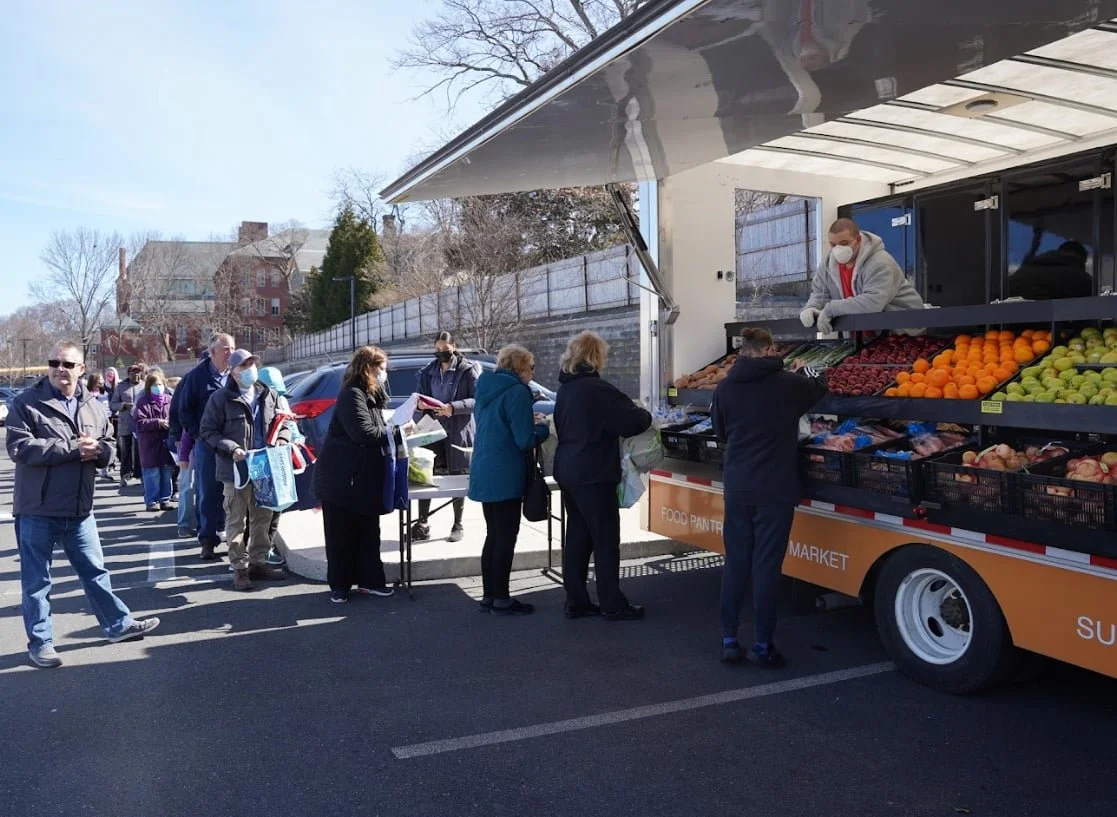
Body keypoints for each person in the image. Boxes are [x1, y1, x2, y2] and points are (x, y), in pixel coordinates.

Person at [6, 341, 160, 668]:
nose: (60, 369)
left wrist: (100, 452)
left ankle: (117, 625)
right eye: (54, 363)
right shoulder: (27, 403)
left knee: (95, 572)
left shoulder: (93, 404)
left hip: (80, 510)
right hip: (38, 509)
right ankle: (41, 643)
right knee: (37, 582)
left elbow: (108, 447)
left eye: (67, 364)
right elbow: (20, 448)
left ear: (81, 370)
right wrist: (73, 448)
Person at [711, 327, 829, 667]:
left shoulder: (725, 387)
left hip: (738, 486)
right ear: (770, 349)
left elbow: (720, 432)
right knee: (766, 566)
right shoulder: (788, 384)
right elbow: (820, 385)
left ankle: (729, 639)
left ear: (743, 350)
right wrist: (805, 370)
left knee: (736, 562)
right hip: (775, 488)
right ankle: (763, 645)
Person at [553, 331, 652, 621]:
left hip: (568, 469)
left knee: (578, 537)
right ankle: (612, 603)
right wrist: (645, 414)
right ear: (596, 357)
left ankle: (576, 600)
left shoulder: (566, 389)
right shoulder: (598, 390)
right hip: (594, 471)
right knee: (605, 539)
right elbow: (633, 420)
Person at [468, 344, 550, 615]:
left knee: (493, 535)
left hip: (484, 469)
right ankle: (502, 599)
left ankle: (490, 596)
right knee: (506, 536)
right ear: (520, 368)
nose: (532, 372)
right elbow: (524, 439)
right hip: (506, 473)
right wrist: (542, 428)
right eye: (531, 368)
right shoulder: (516, 392)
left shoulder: (486, 388)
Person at [311, 346, 396, 604]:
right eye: (381, 369)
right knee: (340, 535)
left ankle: (370, 581)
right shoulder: (352, 395)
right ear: (368, 368)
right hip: (341, 479)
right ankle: (340, 586)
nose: (384, 374)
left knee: (368, 532)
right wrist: (397, 432)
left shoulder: (371, 395)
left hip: (360, 479)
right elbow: (363, 433)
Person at [200, 348, 289, 591]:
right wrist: (232, 448)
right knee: (236, 520)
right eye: (244, 366)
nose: (250, 369)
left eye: (252, 363)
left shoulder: (267, 393)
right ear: (233, 372)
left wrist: (281, 439)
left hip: (264, 466)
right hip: (235, 469)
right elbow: (208, 432)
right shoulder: (220, 399)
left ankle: (258, 562)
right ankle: (239, 567)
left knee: (263, 517)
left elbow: (282, 423)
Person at [410, 331, 479, 544]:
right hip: (432, 428)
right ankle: (422, 522)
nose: (440, 353)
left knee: (456, 475)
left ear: (454, 346)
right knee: (426, 473)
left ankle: (458, 524)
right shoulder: (428, 372)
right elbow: (420, 396)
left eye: (444, 349)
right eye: (437, 349)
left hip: (458, 429)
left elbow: (477, 399)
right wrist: (420, 405)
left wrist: (453, 408)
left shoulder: (467, 370)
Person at [801, 218, 925, 334]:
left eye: (844, 243)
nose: (838, 249)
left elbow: (872, 302)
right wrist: (811, 308)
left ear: (858, 240)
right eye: (833, 245)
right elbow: (820, 293)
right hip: (863, 337)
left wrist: (832, 309)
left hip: (902, 334)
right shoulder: (827, 265)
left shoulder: (879, 262)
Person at [178, 335, 234, 561]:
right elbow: (184, 410)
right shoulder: (196, 377)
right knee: (208, 492)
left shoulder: (236, 374)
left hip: (233, 445)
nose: (229, 353)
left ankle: (236, 540)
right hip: (208, 444)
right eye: (225, 349)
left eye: (232, 348)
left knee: (235, 494)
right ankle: (208, 540)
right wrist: (198, 436)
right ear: (212, 353)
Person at [257, 366, 301, 567]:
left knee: (274, 507)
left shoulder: (277, 399)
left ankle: (266, 547)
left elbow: (289, 426)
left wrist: (293, 439)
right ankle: (261, 550)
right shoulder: (256, 400)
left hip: (275, 459)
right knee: (265, 509)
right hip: (263, 461)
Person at [133, 370, 175, 513]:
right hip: (150, 444)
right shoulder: (143, 402)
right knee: (152, 474)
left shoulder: (170, 400)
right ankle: (152, 501)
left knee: (166, 473)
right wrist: (157, 422)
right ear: (149, 386)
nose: (158, 387)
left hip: (167, 443)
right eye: (155, 385)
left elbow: (176, 416)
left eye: (160, 384)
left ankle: (165, 499)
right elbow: (139, 422)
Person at [1008, 240, 1094, 301]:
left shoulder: (1026, 269)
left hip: (1005, 321)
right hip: (1045, 322)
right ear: (1080, 259)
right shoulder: (1078, 276)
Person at [110, 362, 146, 487]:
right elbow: (113, 404)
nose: (135, 374)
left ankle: (140, 474)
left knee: (139, 450)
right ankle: (124, 475)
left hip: (140, 423)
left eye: (137, 372)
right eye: (133, 372)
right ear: (128, 373)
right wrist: (123, 405)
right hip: (125, 423)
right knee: (125, 450)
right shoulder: (121, 387)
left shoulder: (144, 386)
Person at [86, 373, 112, 481]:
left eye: (102, 380)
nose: (101, 382)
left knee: (103, 444)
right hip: (91, 421)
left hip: (104, 420)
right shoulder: (88, 394)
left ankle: (104, 471)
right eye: (99, 380)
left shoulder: (105, 393)